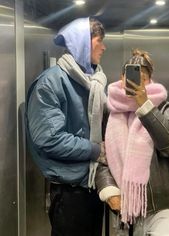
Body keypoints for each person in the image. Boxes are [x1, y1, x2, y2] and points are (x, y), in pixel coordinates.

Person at [25, 17, 107, 236]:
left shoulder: (94, 82)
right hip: (70, 194)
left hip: (93, 185)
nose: (104, 47)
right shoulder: (50, 83)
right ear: (84, 43)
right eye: (100, 41)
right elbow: (50, 140)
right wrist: (97, 151)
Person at [95, 49, 169, 235]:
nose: (135, 82)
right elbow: (101, 157)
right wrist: (109, 189)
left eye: (142, 78)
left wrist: (146, 106)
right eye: (130, 76)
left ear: (149, 80)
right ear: (122, 77)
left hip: (163, 208)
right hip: (125, 212)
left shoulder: (164, 107)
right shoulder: (110, 111)